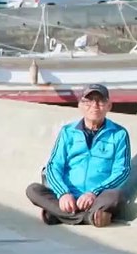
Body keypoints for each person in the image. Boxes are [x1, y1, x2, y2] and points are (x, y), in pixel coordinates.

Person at [24, 83, 130, 227]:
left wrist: (93, 193)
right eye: (89, 101)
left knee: (116, 196)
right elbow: (53, 166)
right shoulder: (68, 132)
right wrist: (63, 194)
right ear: (80, 105)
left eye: (100, 101)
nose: (95, 105)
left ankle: (59, 215)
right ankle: (88, 218)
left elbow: (122, 172)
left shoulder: (119, 134)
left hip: (97, 197)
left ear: (108, 106)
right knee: (33, 190)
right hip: (68, 195)